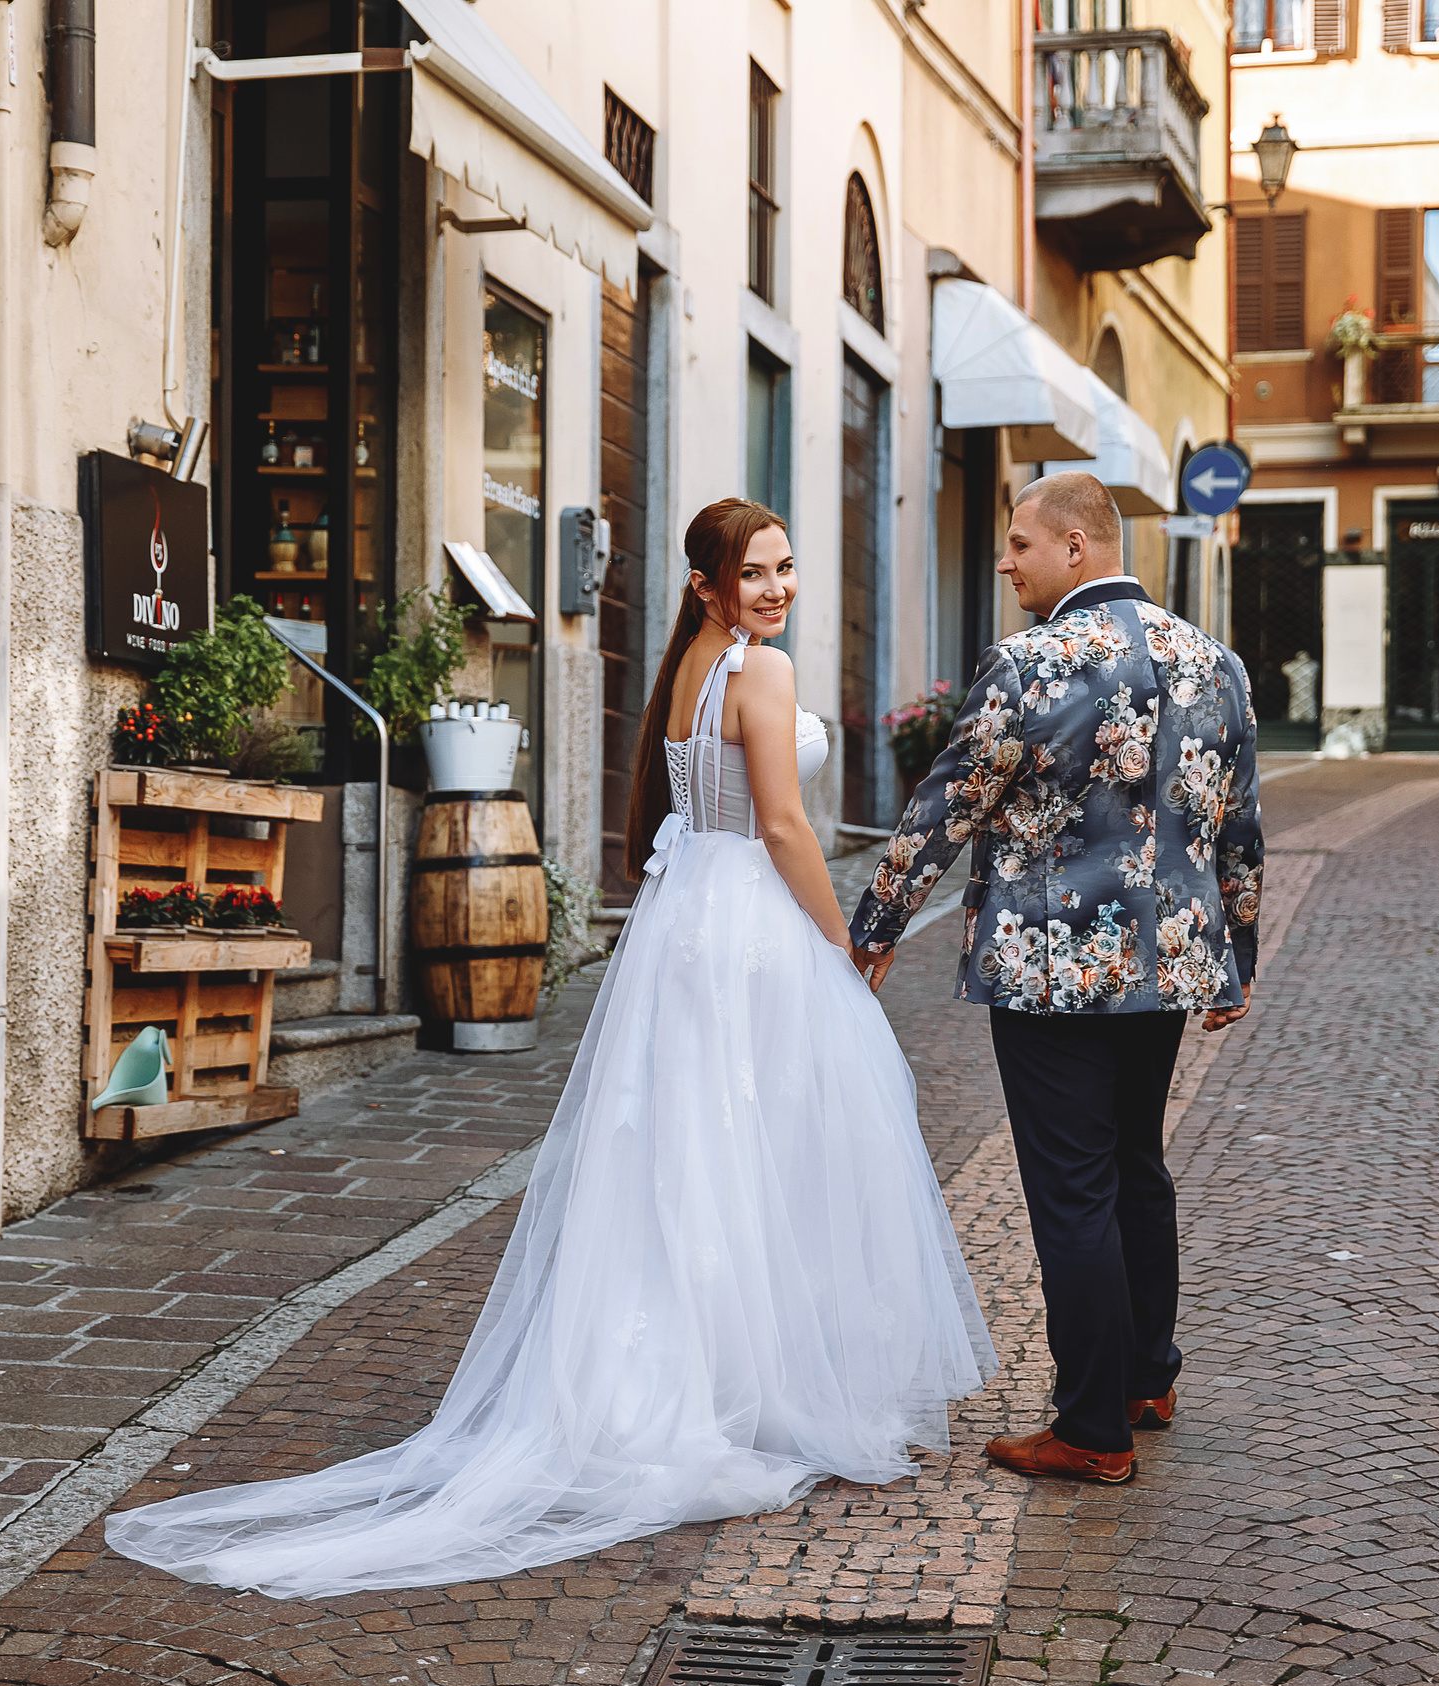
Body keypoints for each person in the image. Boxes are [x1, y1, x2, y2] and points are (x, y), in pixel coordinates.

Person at [105, 498, 995, 1598]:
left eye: (786, 565)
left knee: (691, 1151)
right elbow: (782, 825)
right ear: (710, 586)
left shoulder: (692, 668)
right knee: (752, 1147)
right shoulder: (756, 673)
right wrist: (845, 941)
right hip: (751, 923)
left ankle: (688, 1378)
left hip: (690, 925)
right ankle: (740, 1387)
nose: (776, 588)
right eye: (753, 573)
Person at [849, 471, 1264, 1487]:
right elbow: (1240, 823)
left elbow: (945, 806)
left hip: (1053, 972)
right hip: (1169, 962)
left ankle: (1089, 1428)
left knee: (1073, 1190)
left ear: (1077, 549)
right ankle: (1143, 1379)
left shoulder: (1028, 665)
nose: (1004, 561)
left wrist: (873, 926)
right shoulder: (1215, 664)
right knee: (1133, 1166)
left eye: (1019, 544)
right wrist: (1235, 954)